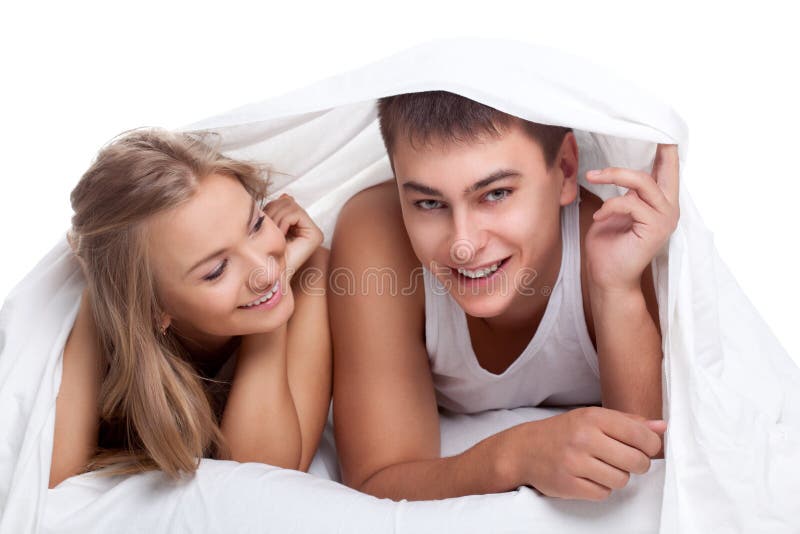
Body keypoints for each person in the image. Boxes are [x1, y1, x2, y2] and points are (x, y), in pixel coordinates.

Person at [329, 91, 678, 502]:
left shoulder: (608, 237)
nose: (463, 245)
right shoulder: (378, 237)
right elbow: (379, 479)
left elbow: (644, 461)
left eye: (495, 194)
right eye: (428, 202)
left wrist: (615, 288)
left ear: (566, 170)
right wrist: (515, 456)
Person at [49, 128, 331, 489]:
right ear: (154, 310)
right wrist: (100, 297)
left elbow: (265, 477)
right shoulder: (106, 330)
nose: (263, 269)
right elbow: (49, 484)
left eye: (257, 224)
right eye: (216, 270)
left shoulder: (306, 275)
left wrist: (273, 302)